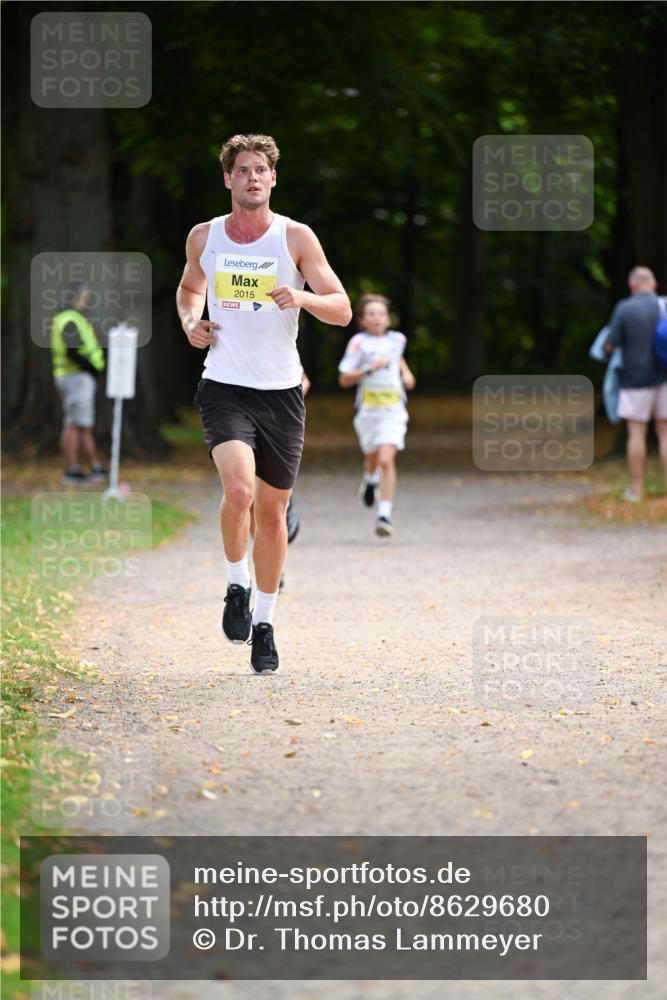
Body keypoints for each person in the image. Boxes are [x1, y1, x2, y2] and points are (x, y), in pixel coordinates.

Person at [176, 134, 351, 674]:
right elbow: (189, 289)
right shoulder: (205, 237)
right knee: (239, 490)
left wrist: (300, 296)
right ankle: (236, 585)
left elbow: (342, 308)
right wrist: (190, 323)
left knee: (273, 516)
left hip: (280, 394)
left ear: (274, 179)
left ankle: (266, 623)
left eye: (261, 171)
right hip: (224, 384)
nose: (252, 178)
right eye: (243, 170)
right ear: (227, 179)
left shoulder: (294, 237)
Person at [338, 293, 416, 536]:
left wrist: (406, 373)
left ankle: (384, 515)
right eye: (371, 314)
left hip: (393, 411)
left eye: (381, 314)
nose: (377, 318)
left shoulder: (397, 340)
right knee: (372, 458)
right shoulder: (359, 343)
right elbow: (344, 379)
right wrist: (369, 368)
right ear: (361, 320)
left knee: (385, 459)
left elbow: (395, 357)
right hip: (368, 411)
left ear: (388, 319)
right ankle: (370, 479)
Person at [604, 266, 667, 501]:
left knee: (637, 433)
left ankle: (637, 490)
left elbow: (609, 345)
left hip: (635, 380)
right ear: (653, 284)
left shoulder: (625, 308)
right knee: (665, 433)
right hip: (664, 378)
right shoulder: (664, 306)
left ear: (632, 286)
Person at [51, 283, 107, 485]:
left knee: (76, 422)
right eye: (85, 296)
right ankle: (76, 469)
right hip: (76, 377)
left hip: (72, 376)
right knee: (77, 423)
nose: (87, 300)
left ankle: (87, 466)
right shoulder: (70, 320)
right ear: (74, 296)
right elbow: (72, 350)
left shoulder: (68, 318)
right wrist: (91, 368)